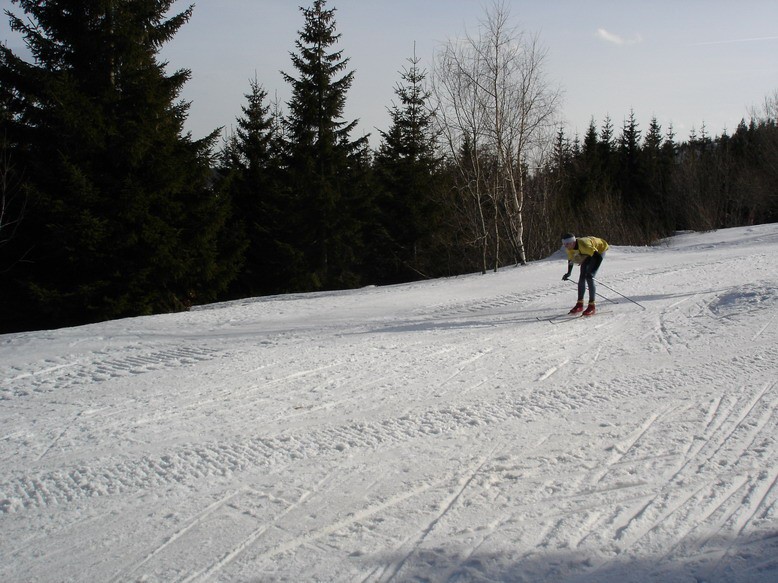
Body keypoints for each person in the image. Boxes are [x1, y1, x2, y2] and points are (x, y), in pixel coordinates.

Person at [561, 233, 609, 315]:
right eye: (564, 244)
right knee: (582, 276)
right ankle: (579, 304)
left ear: (573, 242)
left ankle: (592, 306)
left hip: (599, 250)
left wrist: (592, 272)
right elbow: (571, 260)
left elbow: (597, 257)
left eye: (567, 244)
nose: (565, 246)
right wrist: (568, 273)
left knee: (589, 277)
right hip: (587, 252)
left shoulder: (584, 245)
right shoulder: (570, 247)